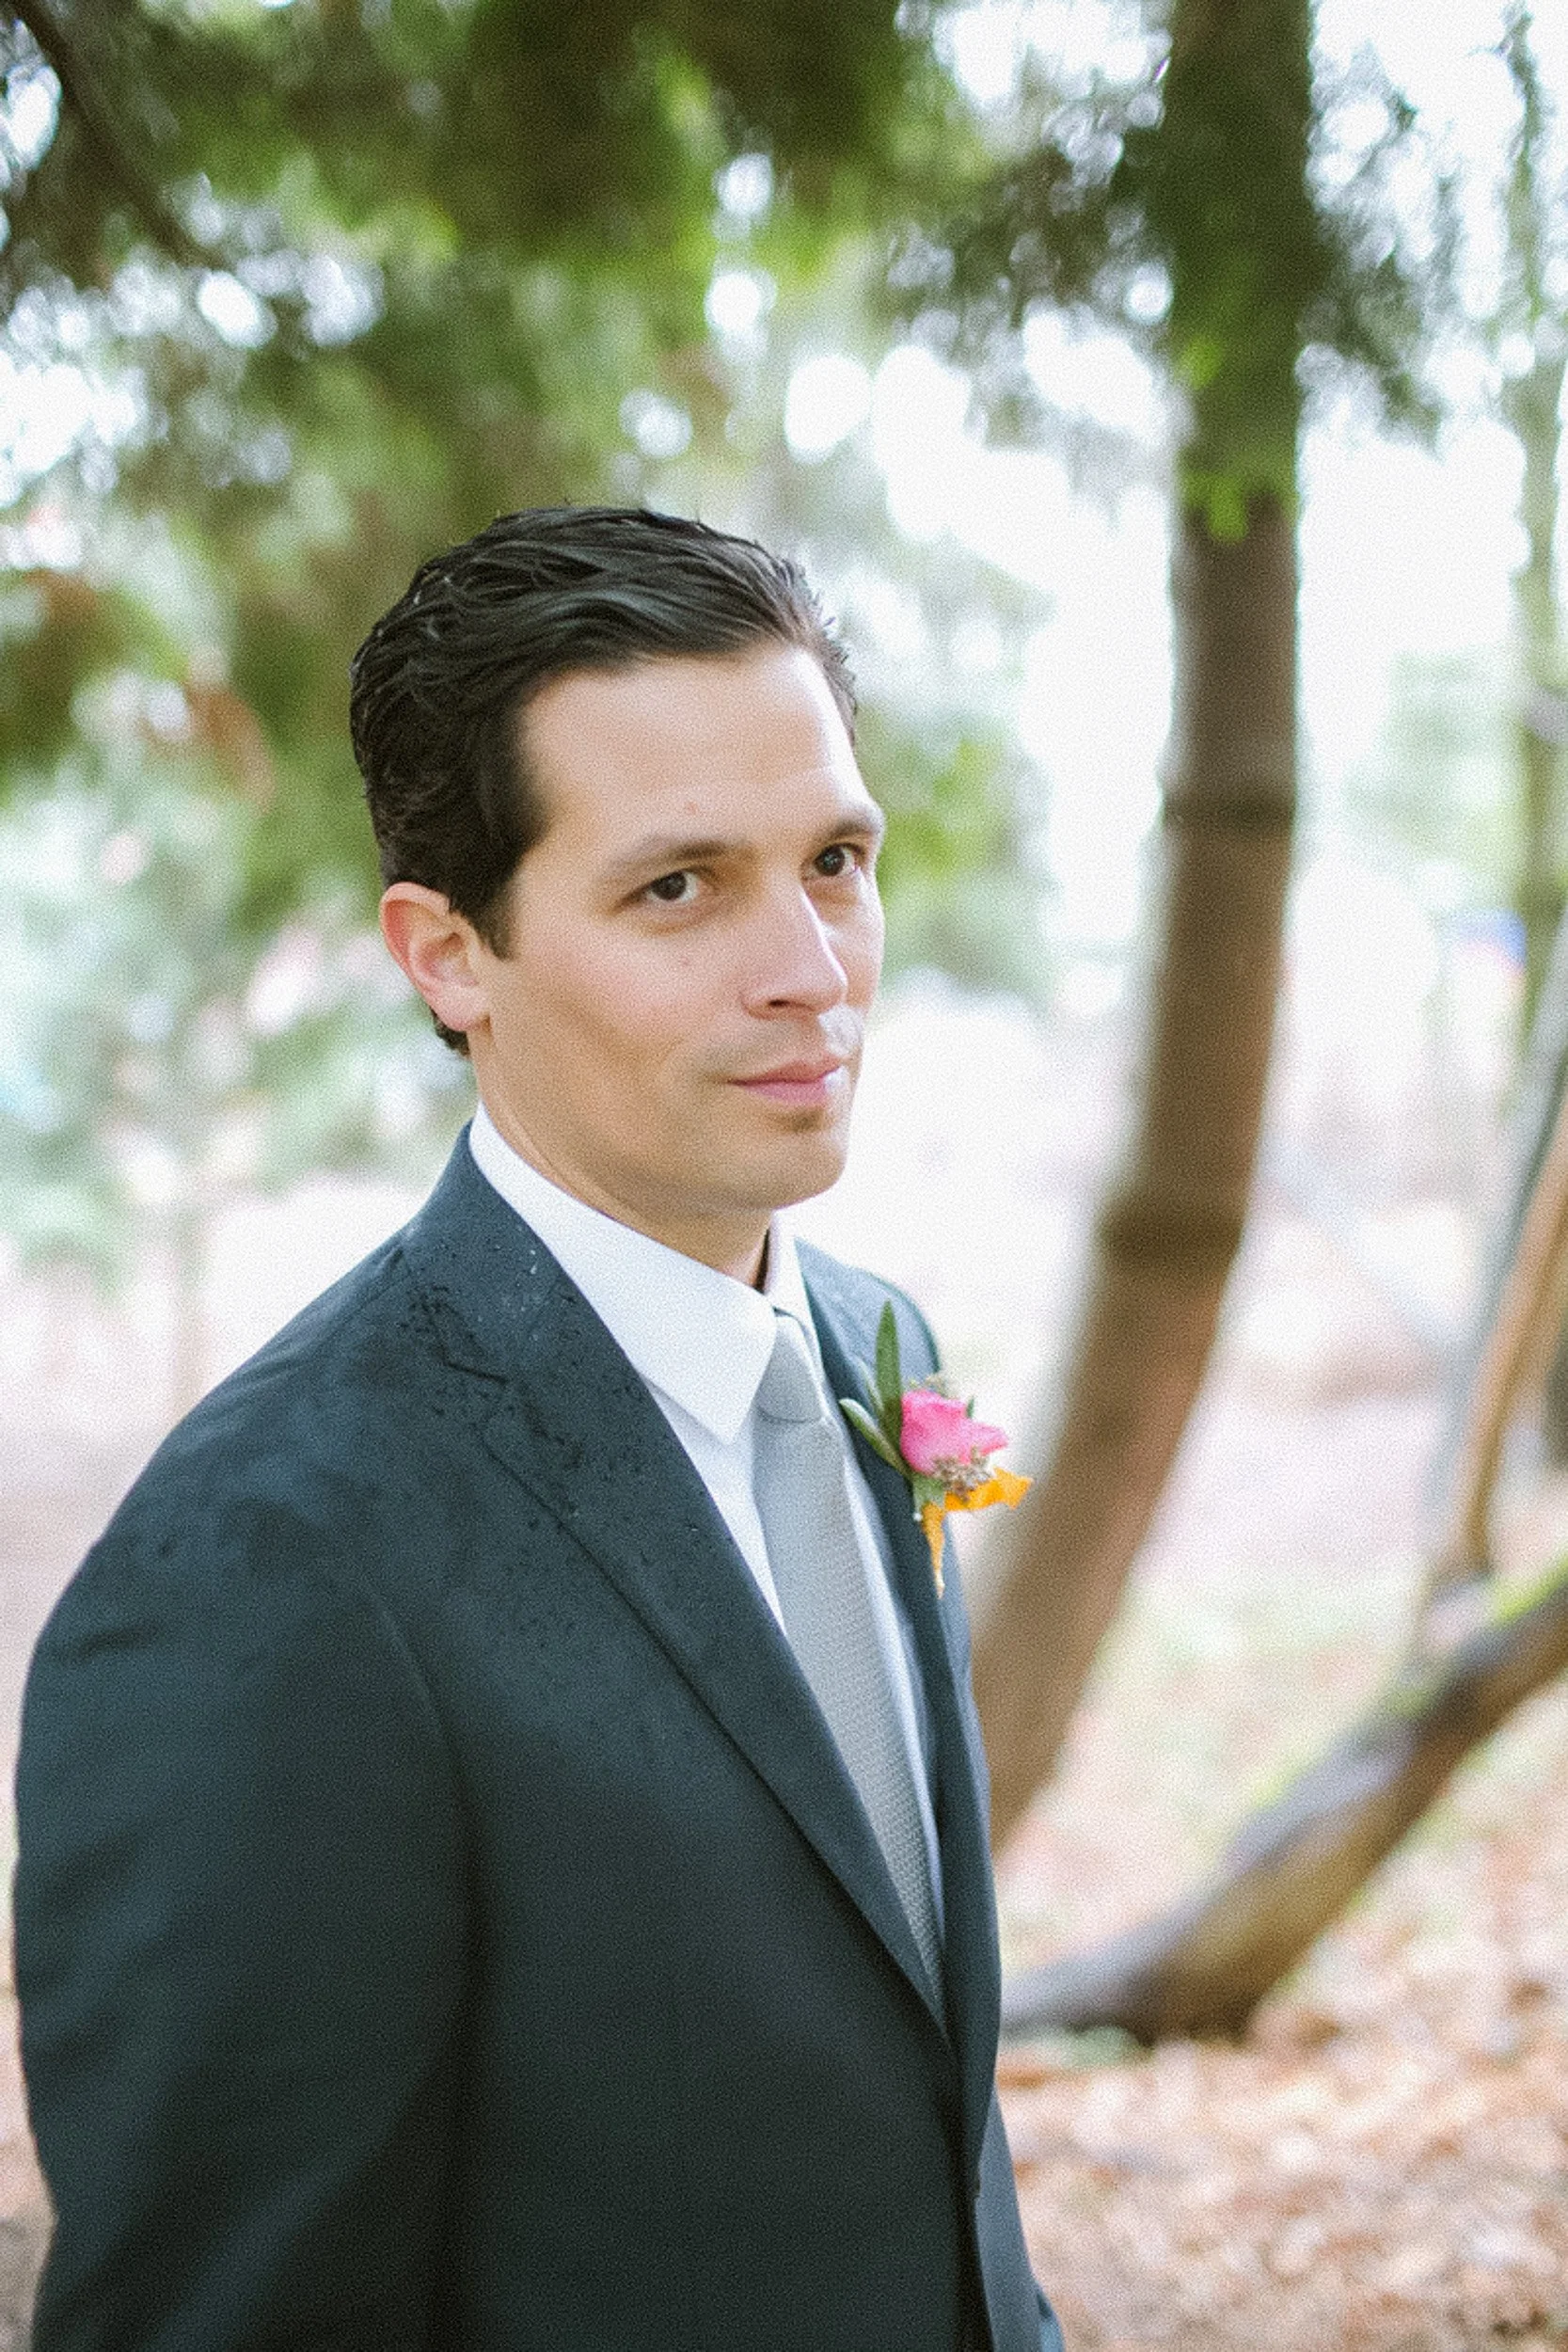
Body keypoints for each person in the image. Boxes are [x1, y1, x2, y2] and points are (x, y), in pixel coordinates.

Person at [15, 506, 1063, 2352]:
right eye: (678, 887)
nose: (810, 966)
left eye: (834, 856)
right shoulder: (268, 1557)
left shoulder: (871, 1342)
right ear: (448, 956)